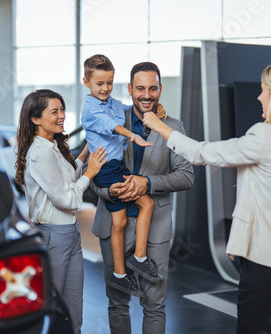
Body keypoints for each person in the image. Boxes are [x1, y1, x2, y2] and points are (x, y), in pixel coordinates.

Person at [142, 62, 271, 334]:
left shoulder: (265, 135)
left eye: (264, 90)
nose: (259, 97)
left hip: (268, 266)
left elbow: (202, 153)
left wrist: (161, 128)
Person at [91, 61, 195, 334]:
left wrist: (147, 183)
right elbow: (93, 170)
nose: (146, 95)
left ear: (160, 89)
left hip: (155, 229)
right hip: (113, 224)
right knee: (117, 303)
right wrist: (107, 190)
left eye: (152, 88)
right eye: (140, 88)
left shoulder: (173, 127)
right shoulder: (111, 120)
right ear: (130, 89)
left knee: (154, 305)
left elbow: (186, 176)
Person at [14, 89, 107, 334]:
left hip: (70, 234)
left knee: (74, 305)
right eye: (54, 111)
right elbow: (67, 198)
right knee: (54, 307)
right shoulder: (41, 152)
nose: (62, 116)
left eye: (62, 109)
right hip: (53, 236)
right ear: (35, 119)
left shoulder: (52, 145)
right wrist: (91, 173)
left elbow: (68, 177)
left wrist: (87, 152)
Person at [81, 54, 166, 297]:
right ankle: (139, 258)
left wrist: (156, 107)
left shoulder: (116, 103)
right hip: (107, 169)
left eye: (109, 83)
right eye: (99, 84)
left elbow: (133, 110)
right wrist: (131, 135)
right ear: (86, 82)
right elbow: (110, 125)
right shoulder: (89, 110)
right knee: (147, 203)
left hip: (116, 166)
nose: (105, 88)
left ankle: (119, 274)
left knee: (119, 222)